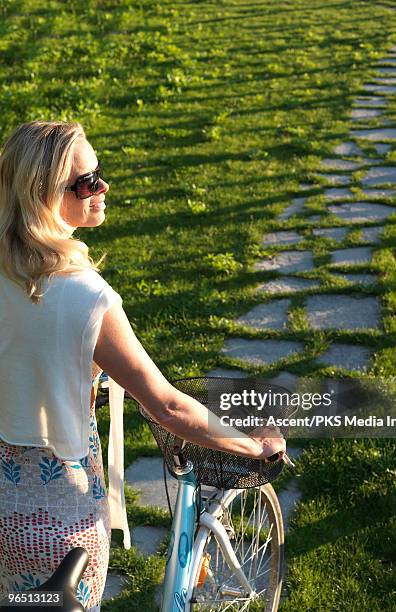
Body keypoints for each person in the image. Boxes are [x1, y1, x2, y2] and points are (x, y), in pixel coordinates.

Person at [0, 121, 285, 611]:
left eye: (100, 173)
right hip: (61, 515)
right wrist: (251, 444)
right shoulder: (86, 298)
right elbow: (168, 406)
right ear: (45, 196)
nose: (103, 187)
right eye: (87, 182)